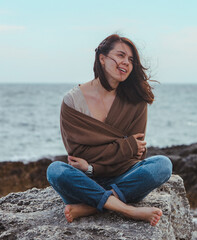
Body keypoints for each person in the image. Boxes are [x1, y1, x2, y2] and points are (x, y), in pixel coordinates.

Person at [46, 34, 172, 226]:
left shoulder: (135, 101)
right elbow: (79, 153)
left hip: (123, 177)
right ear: (102, 58)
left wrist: (92, 166)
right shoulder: (72, 102)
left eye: (131, 60)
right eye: (121, 55)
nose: (126, 63)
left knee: (162, 165)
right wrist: (124, 146)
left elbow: (135, 154)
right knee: (55, 170)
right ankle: (126, 209)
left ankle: (90, 206)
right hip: (84, 182)